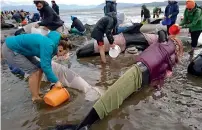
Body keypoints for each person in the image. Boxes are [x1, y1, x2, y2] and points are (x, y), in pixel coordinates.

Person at [54, 30, 184, 130]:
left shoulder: (165, 45)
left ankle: (83, 126)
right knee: (122, 99)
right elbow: (160, 80)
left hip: (139, 71)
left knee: (111, 97)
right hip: (145, 80)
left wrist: (168, 39)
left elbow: (162, 32)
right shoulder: (171, 61)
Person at [1, 31, 71, 102]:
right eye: (64, 53)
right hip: (11, 49)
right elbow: (46, 67)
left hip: (23, 50)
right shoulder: (49, 45)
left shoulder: (53, 43)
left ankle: (38, 92)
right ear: (61, 48)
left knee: (40, 68)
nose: (63, 55)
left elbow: (46, 63)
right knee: (34, 72)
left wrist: (53, 80)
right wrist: (56, 81)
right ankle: (35, 97)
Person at [77, 23, 167, 58]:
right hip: (122, 40)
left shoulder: (146, 40)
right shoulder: (150, 40)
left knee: (82, 52)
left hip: (122, 40)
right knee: (81, 52)